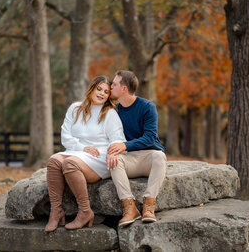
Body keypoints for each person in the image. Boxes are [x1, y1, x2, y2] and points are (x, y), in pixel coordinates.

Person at [45, 76, 126, 232]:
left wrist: (112, 153)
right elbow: (65, 136)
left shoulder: (109, 113)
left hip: (99, 156)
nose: (102, 93)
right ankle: (56, 212)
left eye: (106, 92)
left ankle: (85, 211)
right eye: (99, 89)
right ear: (92, 88)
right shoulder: (75, 108)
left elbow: (117, 140)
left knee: (69, 163)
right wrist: (82, 147)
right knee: (53, 160)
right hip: (77, 151)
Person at [107, 70, 167, 227]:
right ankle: (129, 207)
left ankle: (148, 205)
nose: (110, 86)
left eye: (114, 84)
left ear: (124, 88)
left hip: (148, 157)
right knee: (114, 161)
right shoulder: (114, 110)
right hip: (129, 159)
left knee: (159, 157)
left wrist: (124, 145)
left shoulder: (147, 106)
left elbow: (150, 137)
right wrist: (113, 151)